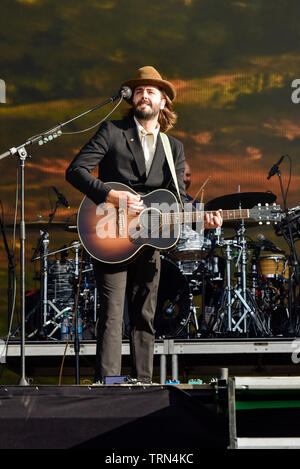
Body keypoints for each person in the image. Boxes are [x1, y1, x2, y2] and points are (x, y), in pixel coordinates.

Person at [66, 66, 222, 384]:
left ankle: (142, 384)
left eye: (151, 90)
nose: (143, 94)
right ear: (132, 99)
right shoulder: (112, 131)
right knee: (112, 315)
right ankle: (108, 385)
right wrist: (112, 196)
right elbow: (76, 170)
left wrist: (201, 220)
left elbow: (176, 202)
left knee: (144, 315)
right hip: (109, 232)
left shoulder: (172, 147)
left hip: (149, 239)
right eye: (138, 90)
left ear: (163, 102)